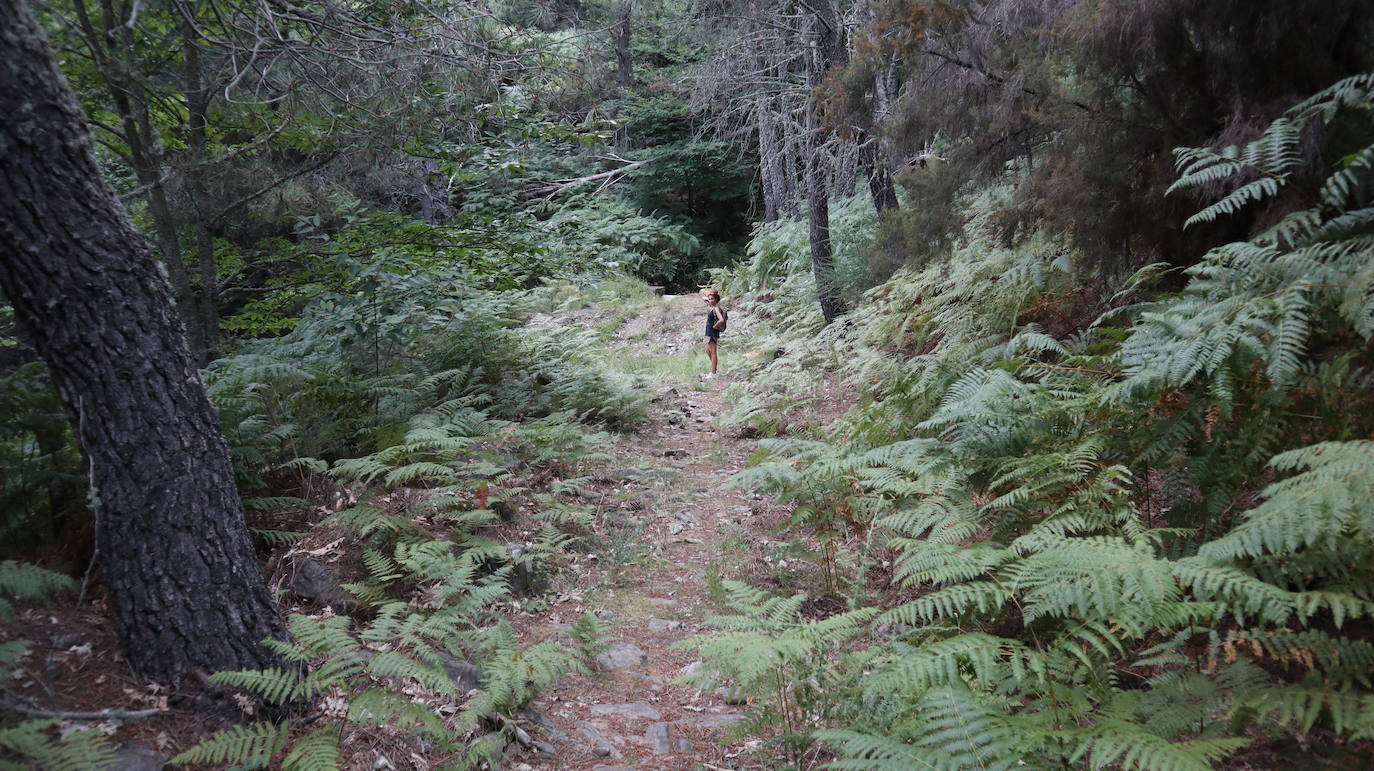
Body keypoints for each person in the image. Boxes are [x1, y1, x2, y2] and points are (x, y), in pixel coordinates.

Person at [702, 288, 727, 378]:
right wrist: (707, 298)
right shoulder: (711, 306)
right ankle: (714, 370)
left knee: (713, 352)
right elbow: (705, 299)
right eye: (710, 299)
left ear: (716, 300)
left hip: (712, 332)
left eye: (712, 299)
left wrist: (715, 326)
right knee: (708, 351)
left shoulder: (716, 308)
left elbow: (721, 320)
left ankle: (713, 373)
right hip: (708, 332)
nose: (710, 300)